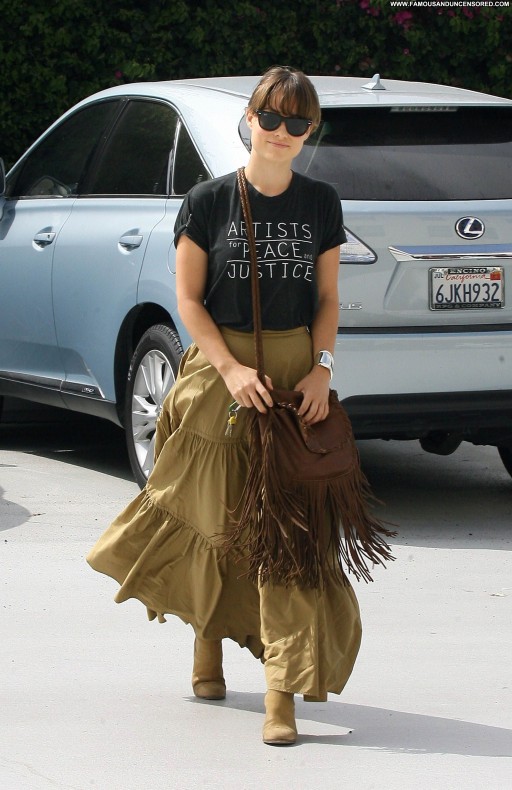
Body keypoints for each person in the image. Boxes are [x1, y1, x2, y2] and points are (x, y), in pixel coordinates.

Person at [87, 65, 362, 746]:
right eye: (270, 117)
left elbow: (329, 300)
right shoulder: (209, 200)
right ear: (249, 118)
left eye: (297, 122)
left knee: (289, 538)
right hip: (219, 378)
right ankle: (206, 644)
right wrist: (232, 369)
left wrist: (322, 370)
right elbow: (188, 302)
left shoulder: (321, 202)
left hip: (296, 377)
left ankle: (280, 694)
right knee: (216, 524)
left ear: (310, 131)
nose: (281, 132)